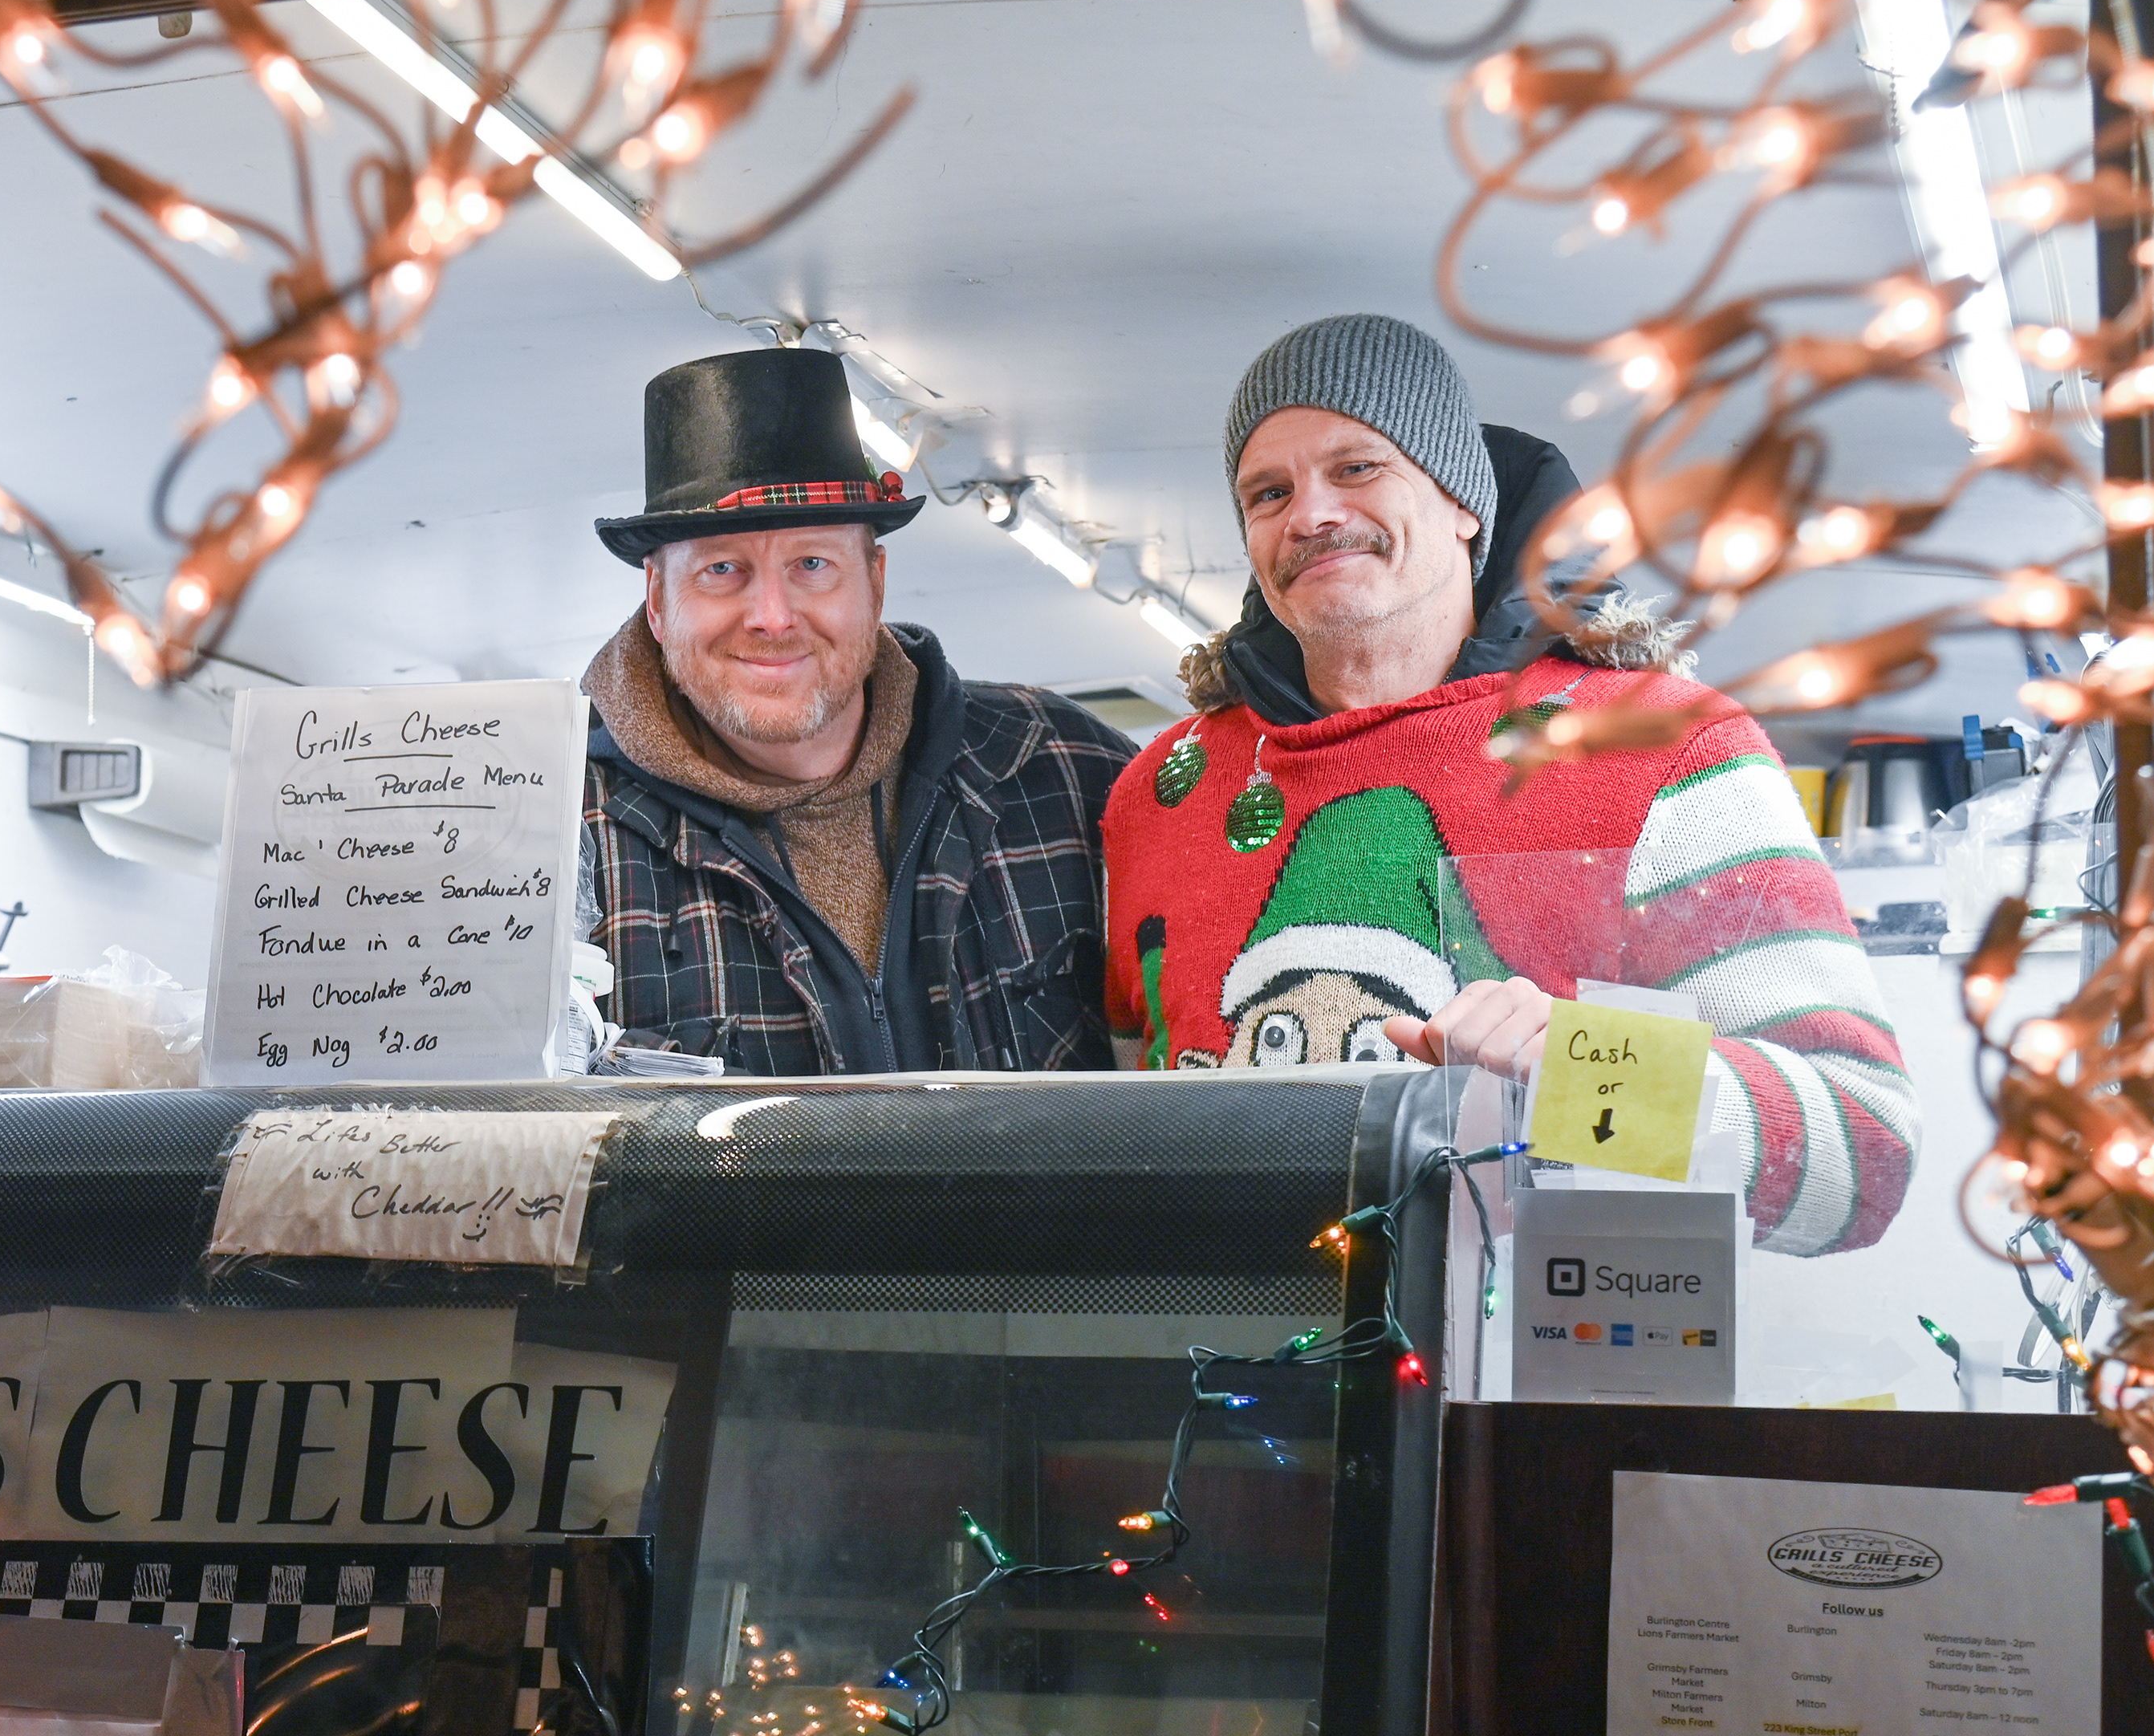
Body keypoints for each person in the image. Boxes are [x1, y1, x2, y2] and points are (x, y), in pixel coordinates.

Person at [1104, 314, 1914, 1255]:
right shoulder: (1158, 797)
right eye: (1268, 491)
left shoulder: (1667, 750)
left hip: (1558, 1386)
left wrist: (1587, 1072)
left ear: (1462, 501)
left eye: (1359, 467)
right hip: (1220, 1381)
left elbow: (1868, 1155)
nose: (1311, 514)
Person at [582, 347, 1140, 1075]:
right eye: (723, 569)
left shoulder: (1071, 770)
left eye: (813, 564)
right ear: (658, 599)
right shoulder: (560, 838)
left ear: (874, 582)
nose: (772, 616)